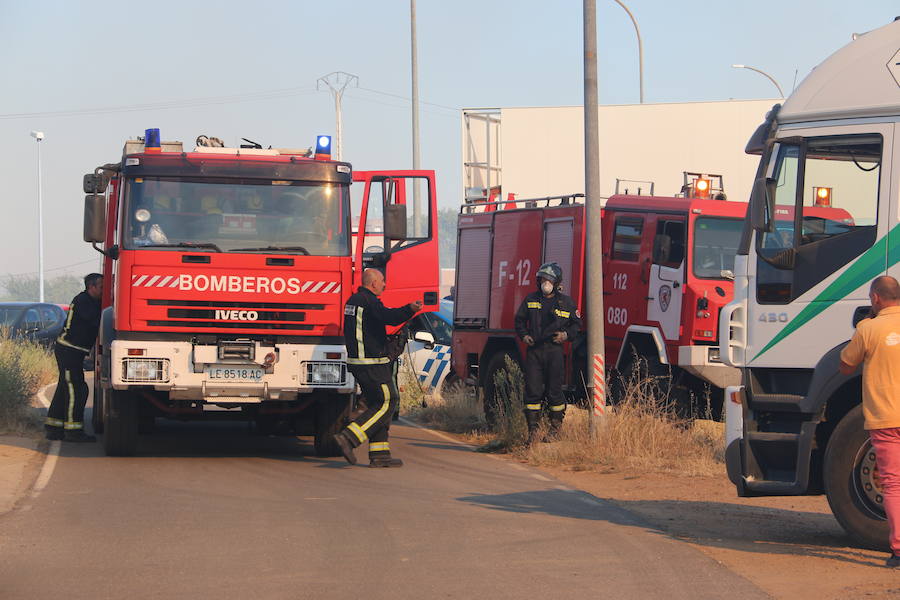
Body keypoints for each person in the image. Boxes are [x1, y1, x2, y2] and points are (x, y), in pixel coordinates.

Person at [839, 275, 900, 567]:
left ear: (876, 298)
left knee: (893, 484)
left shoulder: (868, 328)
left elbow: (846, 366)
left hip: (886, 419)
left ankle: (899, 550)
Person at [333, 268, 422, 467]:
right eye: (382, 281)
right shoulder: (368, 301)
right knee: (388, 401)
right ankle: (349, 438)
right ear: (373, 283)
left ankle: (380, 454)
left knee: (377, 404)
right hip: (371, 363)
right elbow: (388, 317)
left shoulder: (354, 301)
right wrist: (410, 309)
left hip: (361, 363)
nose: (384, 284)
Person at [514, 262, 582, 444]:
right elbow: (519, 321)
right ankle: (533, 431)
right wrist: (524, 336)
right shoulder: (531, 300)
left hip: (554, 351)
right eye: (543, 279)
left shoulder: (566, 303)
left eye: (549, 279)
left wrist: (566, 335)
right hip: (534, 352)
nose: (546, 283)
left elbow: (577, 325)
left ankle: (555, 428)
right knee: (532, 391)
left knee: (554, 391)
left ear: (556, 281)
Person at [45, 273, 103, 442]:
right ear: (91, 287)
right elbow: (95, 320)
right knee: (75, 389)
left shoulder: (90, 301)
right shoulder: (83, 301)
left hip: (72, 351)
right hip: (69, 351)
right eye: (101, 287)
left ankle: (53, 427)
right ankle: (73, 431)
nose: (103, 291)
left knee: (65, 386)